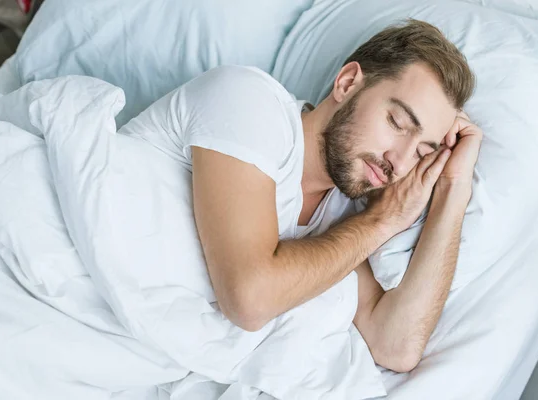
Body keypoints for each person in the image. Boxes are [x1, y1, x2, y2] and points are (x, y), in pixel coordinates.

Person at [136, 19, 481, 373]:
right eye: (396, 122)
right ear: (347, 84)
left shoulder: (342, 216)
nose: (400, 161)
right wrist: (382, 220)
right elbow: (248, 299)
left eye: (423, 153)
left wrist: (454, 189)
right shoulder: (248, 100)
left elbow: (395, 347)